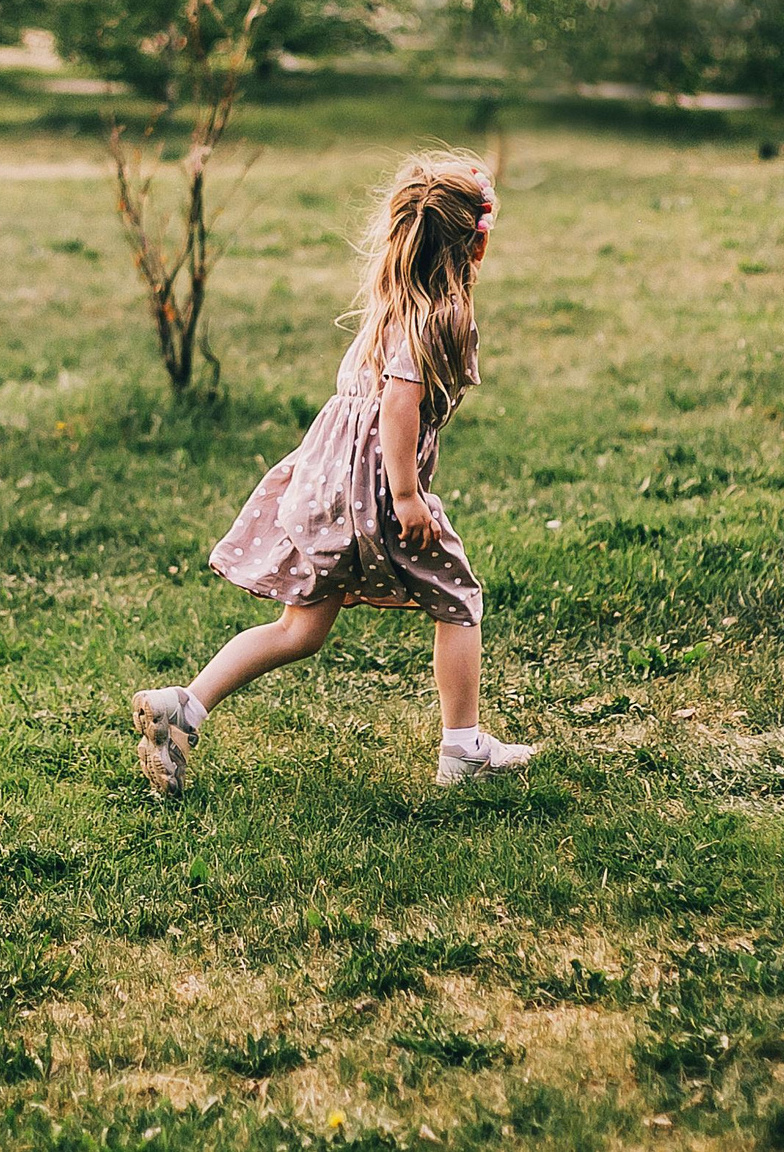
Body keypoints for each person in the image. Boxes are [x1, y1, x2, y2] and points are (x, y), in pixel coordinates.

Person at [130, 154, 533, 795]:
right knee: (458, 602)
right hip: (375, 493)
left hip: (326, 487)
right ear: (472, 247)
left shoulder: (393, 304)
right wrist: (406, 495)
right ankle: (461, 751)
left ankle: (186, 707)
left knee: (301, 629)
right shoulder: (443, 315)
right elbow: (400, 403)